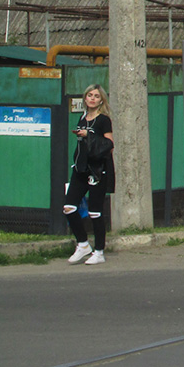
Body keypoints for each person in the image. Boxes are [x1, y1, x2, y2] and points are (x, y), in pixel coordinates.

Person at [64, 84, 115, 265]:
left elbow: (109, 144)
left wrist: (89, 136)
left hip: (97, 170)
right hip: (80, 168)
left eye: (96, 96)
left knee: (95, 212)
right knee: (69, 207)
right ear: (85, 98)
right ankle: (83, 244)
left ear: (101, 100)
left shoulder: (103, 120)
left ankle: (99, 251)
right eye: (89, 95)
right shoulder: (83, 117)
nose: (92, 98)